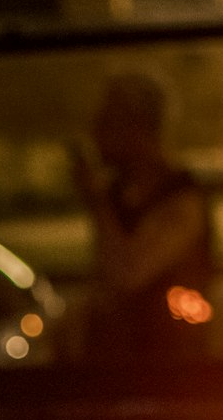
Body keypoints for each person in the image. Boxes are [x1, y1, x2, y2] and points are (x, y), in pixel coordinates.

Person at [73, 73, 213, 360]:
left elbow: (127, 276)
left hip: (169, 366)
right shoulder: (119, 193)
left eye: (107, 121)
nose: (95, 132)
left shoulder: (180, 198)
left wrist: (98, 205)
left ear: (138, 127)